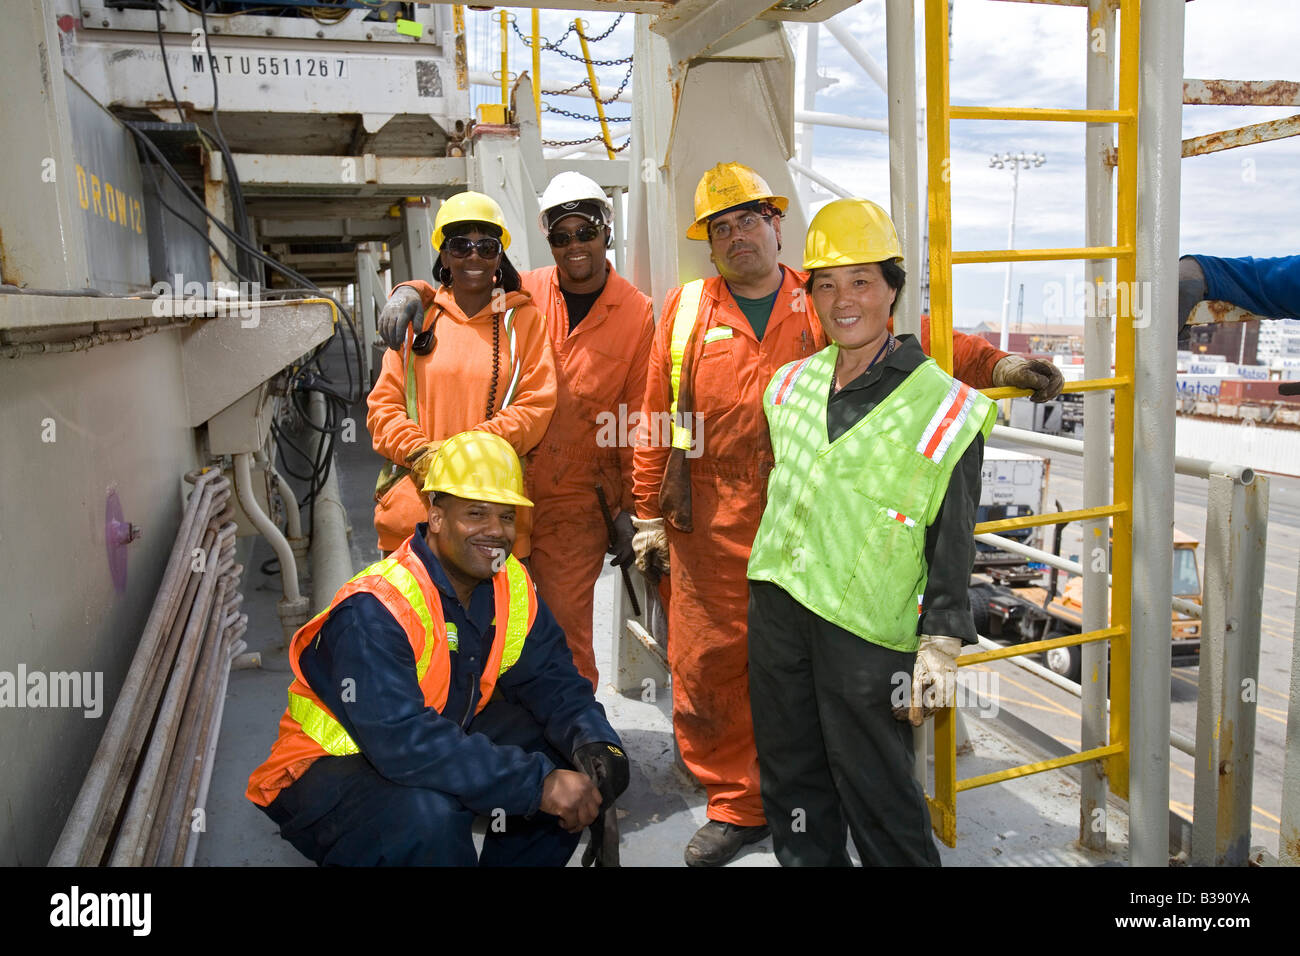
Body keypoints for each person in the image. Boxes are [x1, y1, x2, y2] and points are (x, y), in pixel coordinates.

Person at [629, 162, 1041, 867]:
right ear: (710, 243)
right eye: (721, 228)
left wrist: (995, 365)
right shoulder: (690, 309)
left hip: (827, 542)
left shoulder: (818, 302)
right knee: (711, 674)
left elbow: (920, 346)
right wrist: (648, 514)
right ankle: (738, 806)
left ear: (776, 224)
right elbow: (657, 415)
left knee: (851, 745)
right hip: (724, 534)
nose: (737, 237)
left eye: (748, 220)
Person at [245, 431, 629, 866]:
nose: (495, 531)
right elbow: (403, 741)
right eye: (476, 513)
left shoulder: (508, 583)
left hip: (436, 729)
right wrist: (537, 785)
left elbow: (553, 679)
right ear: (437, 516)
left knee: (565, 763)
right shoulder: (377, 607)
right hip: (325, 770)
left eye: (506, 516)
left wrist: (596, 742)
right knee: (429, 820)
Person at [746, 198, 995, 866]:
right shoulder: (789, 384)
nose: (841, 299)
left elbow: (954, 534)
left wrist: (940, 642)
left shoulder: (945, 405)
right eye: (824, 284)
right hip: (777, 610)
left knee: (878, 796)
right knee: (792, 781)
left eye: (860, 280)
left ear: (892, 289)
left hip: (864, 632)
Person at [516, 173, 654, 690]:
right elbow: (457, 287)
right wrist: (410, 290)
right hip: (508, 487)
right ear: (548, 239)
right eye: (561, 235)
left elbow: (639, 418)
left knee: (565, 629)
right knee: (495, 621)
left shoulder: (636, 312)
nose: (575, 245)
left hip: (579, 500)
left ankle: (578, 741)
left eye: (586, 231)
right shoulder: (523, 290)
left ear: (606, 231)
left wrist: (633, 512)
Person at [367, 191, 556, 557]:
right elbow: (382, 409)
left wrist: (459, 453)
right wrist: (421, 453)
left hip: (492, 530)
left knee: (496, 617)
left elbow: (536, 406)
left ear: (499, 255)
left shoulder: (525, 322)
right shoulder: (417, 320)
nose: (474, 256)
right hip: (413, 526)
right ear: (443, 255)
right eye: (460, 246)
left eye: (486, 246)